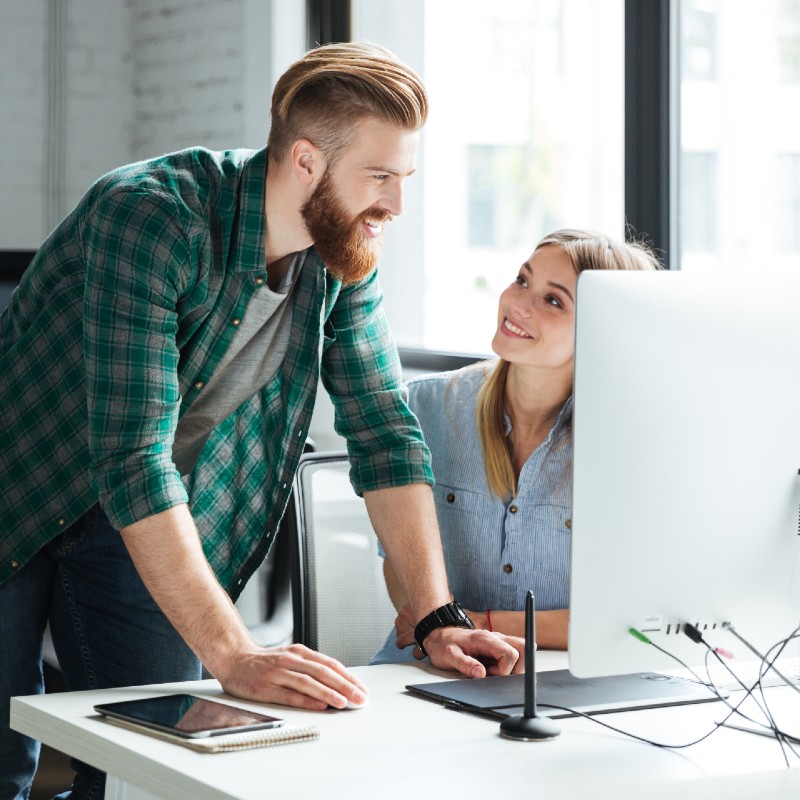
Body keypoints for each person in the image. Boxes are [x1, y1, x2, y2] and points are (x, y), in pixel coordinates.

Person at [0, 42, 521, 800]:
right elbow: (133, 457)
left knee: (151, 774)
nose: (396, 206)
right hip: (20, 483)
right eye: (379, 177)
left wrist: (436, 615)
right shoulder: (151, 215)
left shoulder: (343, 254)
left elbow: (384, 432)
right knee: (4, 765)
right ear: (306, 161)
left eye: (404, 179)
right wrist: (235, 654)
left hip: (136, 517)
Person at [372, 229, 662, 664]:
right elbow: (398, 561)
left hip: (556, 678)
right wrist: (442, 630)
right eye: (523, 280)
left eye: (553, 300)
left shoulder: (628, 445)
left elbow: (633, 618)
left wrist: (474, 624)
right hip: (426, 668)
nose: (518, 304)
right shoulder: (426, 405)